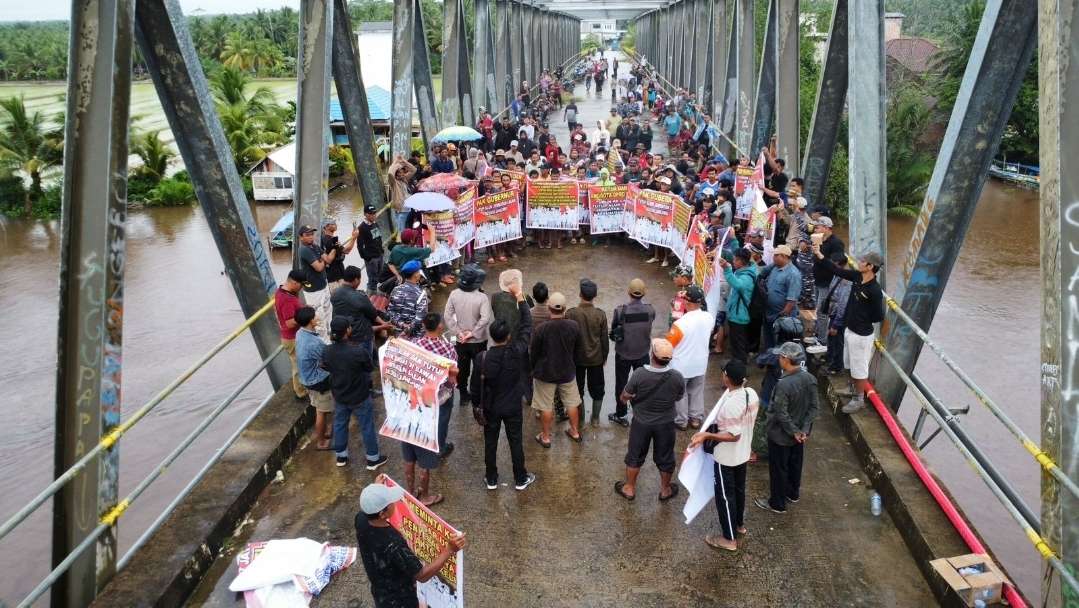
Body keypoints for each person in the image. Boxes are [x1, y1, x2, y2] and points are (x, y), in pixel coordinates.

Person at [355, 482, 467, 608]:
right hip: (400, 601)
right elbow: (422, 575)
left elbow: (369, 506)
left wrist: (375, 494)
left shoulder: (361, 520)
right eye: (391, 502)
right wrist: (449, 549)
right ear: (382, 514)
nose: (395, 503)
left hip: (380, 592)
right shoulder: (393, 544)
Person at [471, 282, 537, 491]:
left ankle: (491, 478)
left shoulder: (482, 358)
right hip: (512, 405)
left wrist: (477, 406)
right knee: (515, 441)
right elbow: (527, 325)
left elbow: (474, 389)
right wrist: (520, 297)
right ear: (508, 336)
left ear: (491, 335)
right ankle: (520, 478)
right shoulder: (517, 352)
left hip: (491, 406)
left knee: (490, 442)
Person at [688, 360, 759, 551]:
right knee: (738, 490)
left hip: (727, 458)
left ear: (727, 378)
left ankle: (729, 539)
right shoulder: (751, 394)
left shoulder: (731, 405)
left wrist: (707, 435)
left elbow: (733, 435)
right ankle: (739, 525)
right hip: (743, 454)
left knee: (725, 497)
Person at [813, 247, 885, 413]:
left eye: (862, 261)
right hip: (849, 330)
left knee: (859, 369)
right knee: (849, 364)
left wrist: (861, 318)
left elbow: (878, 316)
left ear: (870, 267)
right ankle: (852, 388)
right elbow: (836, 270)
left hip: (861, 335)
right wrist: (819, 255)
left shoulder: (874, 290)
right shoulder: (857, 277)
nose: (858, 263)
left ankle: (858, 399)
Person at [614, 338, 684, 501]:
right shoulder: (677, 377)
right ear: (670, 359)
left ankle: (629, 488)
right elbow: (679, 396)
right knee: (666, 456)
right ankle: (665, 490)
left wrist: (627, 398)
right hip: (666, 423)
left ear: (652, 355)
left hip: (641, 422)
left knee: (635, 454)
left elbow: (625, 396)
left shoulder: (639, 374)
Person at [754, 342, 818, 514]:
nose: (779, 359)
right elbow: (814, 408)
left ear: (786, 359)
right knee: (795, 464)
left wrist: (794, 431)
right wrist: (803, 430)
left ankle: (777, 503)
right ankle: (793, 493)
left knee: (778, 469)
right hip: (800, 435)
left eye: (781, 357)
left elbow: (780, 412)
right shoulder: (810, 379)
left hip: (781, 436)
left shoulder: (784, 384)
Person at [406, 312, 460, 504]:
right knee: (441, 424)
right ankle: (439, 446)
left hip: (419, 399)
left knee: (409, 458)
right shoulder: (448, 349)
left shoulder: (414, 346)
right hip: (441, 398)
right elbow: (453, 377)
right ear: (439, 327)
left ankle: (410, 491)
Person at [323, 317, 387, 469]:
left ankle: (341, 456)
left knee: (339, 424)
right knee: (366, 426)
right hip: (359, 395)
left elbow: (325, 366)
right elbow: (368, 367)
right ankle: (372, 459)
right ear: (348, 331)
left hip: (339, 395)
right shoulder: (358, 351)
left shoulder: (327, 350)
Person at [530, 292, 584, 446]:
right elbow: (578, 350)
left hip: (545, 373)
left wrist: (533, 369)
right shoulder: (574, 326)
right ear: (565, 309)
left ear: (549, 308)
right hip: (567, 372)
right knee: (572, 403)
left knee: (545, 406)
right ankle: (574, 431)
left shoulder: (541, 329)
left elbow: (534, 353)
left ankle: (545, 437)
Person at [443, 264, 492, 409]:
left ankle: (463, 394)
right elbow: (485, 318)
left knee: (462, 368)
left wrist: (458, 332)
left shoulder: (454, 294)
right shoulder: (482, 297)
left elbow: (448, 315)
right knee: (479, 368)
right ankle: (477, 394)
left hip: (460, 341)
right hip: (478, 340)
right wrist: (473, 332)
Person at [609, 278, 655, 427]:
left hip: (623, 354)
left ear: (628, 292)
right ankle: (641, 413)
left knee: (621, 384)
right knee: (642, 384)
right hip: (642, 353)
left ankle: (621, 414)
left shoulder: (620, 310)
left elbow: (614, 330)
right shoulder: (650, 310)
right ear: (644, 293)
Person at [667, 285, 714, 430]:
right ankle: (695, 419)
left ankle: (681, 421)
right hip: (700, 363)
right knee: (697, 391)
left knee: (681, 394)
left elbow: (668, 345)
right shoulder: (709, 317)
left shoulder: (680, 324)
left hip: (681, 366)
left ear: (687, 302)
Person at [566, 279, 609, 425]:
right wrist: (605, 356)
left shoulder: (571, 313)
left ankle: (581, 419)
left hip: (577, 359)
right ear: (595, 295)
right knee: (598, 389)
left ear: (580, 294)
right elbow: (604, 339)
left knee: (578, 390)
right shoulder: (600, 315)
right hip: (596, 359)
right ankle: (595, 419)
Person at [294, 307, 335, 450]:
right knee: (321, 411)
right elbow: (327, 359)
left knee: (322, 407)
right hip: (318, 381)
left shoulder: (300, 333)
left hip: (307, 378)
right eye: (315, 316)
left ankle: (327, 430)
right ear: (311, 321)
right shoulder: (313, 343)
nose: (317, 317)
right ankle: (321, 442)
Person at [332, 266, 393, 355]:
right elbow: (373, 315)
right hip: (360, 336)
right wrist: (383, 324)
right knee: (366, 358)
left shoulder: (335, 293)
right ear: (356, 280)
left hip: (343, 332)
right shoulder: (359, 297)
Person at [758, 244, 801, 350]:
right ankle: (769, 357)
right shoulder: (775, 267)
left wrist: (783, 314)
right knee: (768, 338)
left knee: (781, 341)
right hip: (769, 312)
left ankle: (778, 362)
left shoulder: (793, 274)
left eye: (776, 255)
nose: (773, 258)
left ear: (784, 256)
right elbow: (761, 274)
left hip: (782, 315)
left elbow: (792, 299)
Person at [298, 224, 337, 340]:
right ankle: (324, 345)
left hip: (323, 285)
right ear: (301, 237)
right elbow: (319, 267)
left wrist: (335, 249)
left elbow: (328, 259)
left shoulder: (314, 246)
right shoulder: (304, 250)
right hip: (313, 290)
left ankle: (331, 338)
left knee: (328, 311)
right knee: (319, 319)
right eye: (307, 235)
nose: (311, 237)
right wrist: (323, 260)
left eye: (312, 234)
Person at [719, 249, 758, 363]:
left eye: (735, 259)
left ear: (741, 261)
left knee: (739, 345)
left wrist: (726, 269)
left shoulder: (746, 277)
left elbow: (737, 284)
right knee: (737, 343)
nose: (733, 261)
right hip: (736, 313)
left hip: (740, 316)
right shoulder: (743, 271)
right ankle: (737, 364)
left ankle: (740, 372)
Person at [274, 270, 308, 400]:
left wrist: (303, 309)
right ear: (294, 282)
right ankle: (300, 393)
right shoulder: (287, 299)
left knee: (299, 363)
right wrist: (306, 316)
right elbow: (289, 323)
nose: (302, 288)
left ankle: (302, 388)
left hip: (291, 337)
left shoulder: (282, 291)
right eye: (301, 285)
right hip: (292, 338)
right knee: (298, 366)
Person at [387, 260, 429, 338]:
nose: (420, 273)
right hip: (415, 335)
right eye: (419, 271)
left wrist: (402, 325)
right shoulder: (421, 294)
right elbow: (420, 318)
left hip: (398, 332)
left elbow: (390, 312)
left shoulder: (396, 289)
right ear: (415, 275)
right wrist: (407, 329)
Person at [357, 205, 386, 294]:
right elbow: (359, 246)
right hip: (371, 258)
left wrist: (381, 250)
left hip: (379, 254)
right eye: (371, 214)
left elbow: (378, 237)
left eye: (374, 213)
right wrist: (367, 258)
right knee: (372, 279)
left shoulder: (374, 223)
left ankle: (378, 292)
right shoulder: (362, 227)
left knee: (380, 275)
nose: (374, 215)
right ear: (366, 214)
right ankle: (371, 296)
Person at [321, 219, 356, 290]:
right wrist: (354, 237)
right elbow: (346, 251)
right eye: (333, 223)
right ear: (326, 227)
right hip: (334, 277)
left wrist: (354, 237)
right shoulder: (330, 240)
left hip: (335, 275)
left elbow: (346, 251)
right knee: (338, 297)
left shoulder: (325, 239)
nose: (335, 225)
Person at [388, 155, 417, 233]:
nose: (402, 174)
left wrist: (404, 161)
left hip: (407, 209)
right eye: (400, 173)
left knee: (407, 230)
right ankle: (403, 243)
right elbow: (390, 173)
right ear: (396, 174)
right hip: (400, 210)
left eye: (403, 172)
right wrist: (395, 162)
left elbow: (414, 170)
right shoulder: (394, 182)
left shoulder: (405, 179)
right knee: (402, 231)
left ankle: (406, 243)